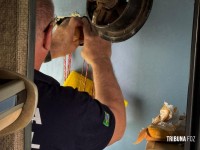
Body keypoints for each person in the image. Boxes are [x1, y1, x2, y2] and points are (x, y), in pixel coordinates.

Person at [32, 0, 126, 149]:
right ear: (49, 33)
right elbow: (117, 123)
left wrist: (50, 48)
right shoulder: (62, 107)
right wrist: (100, 58)